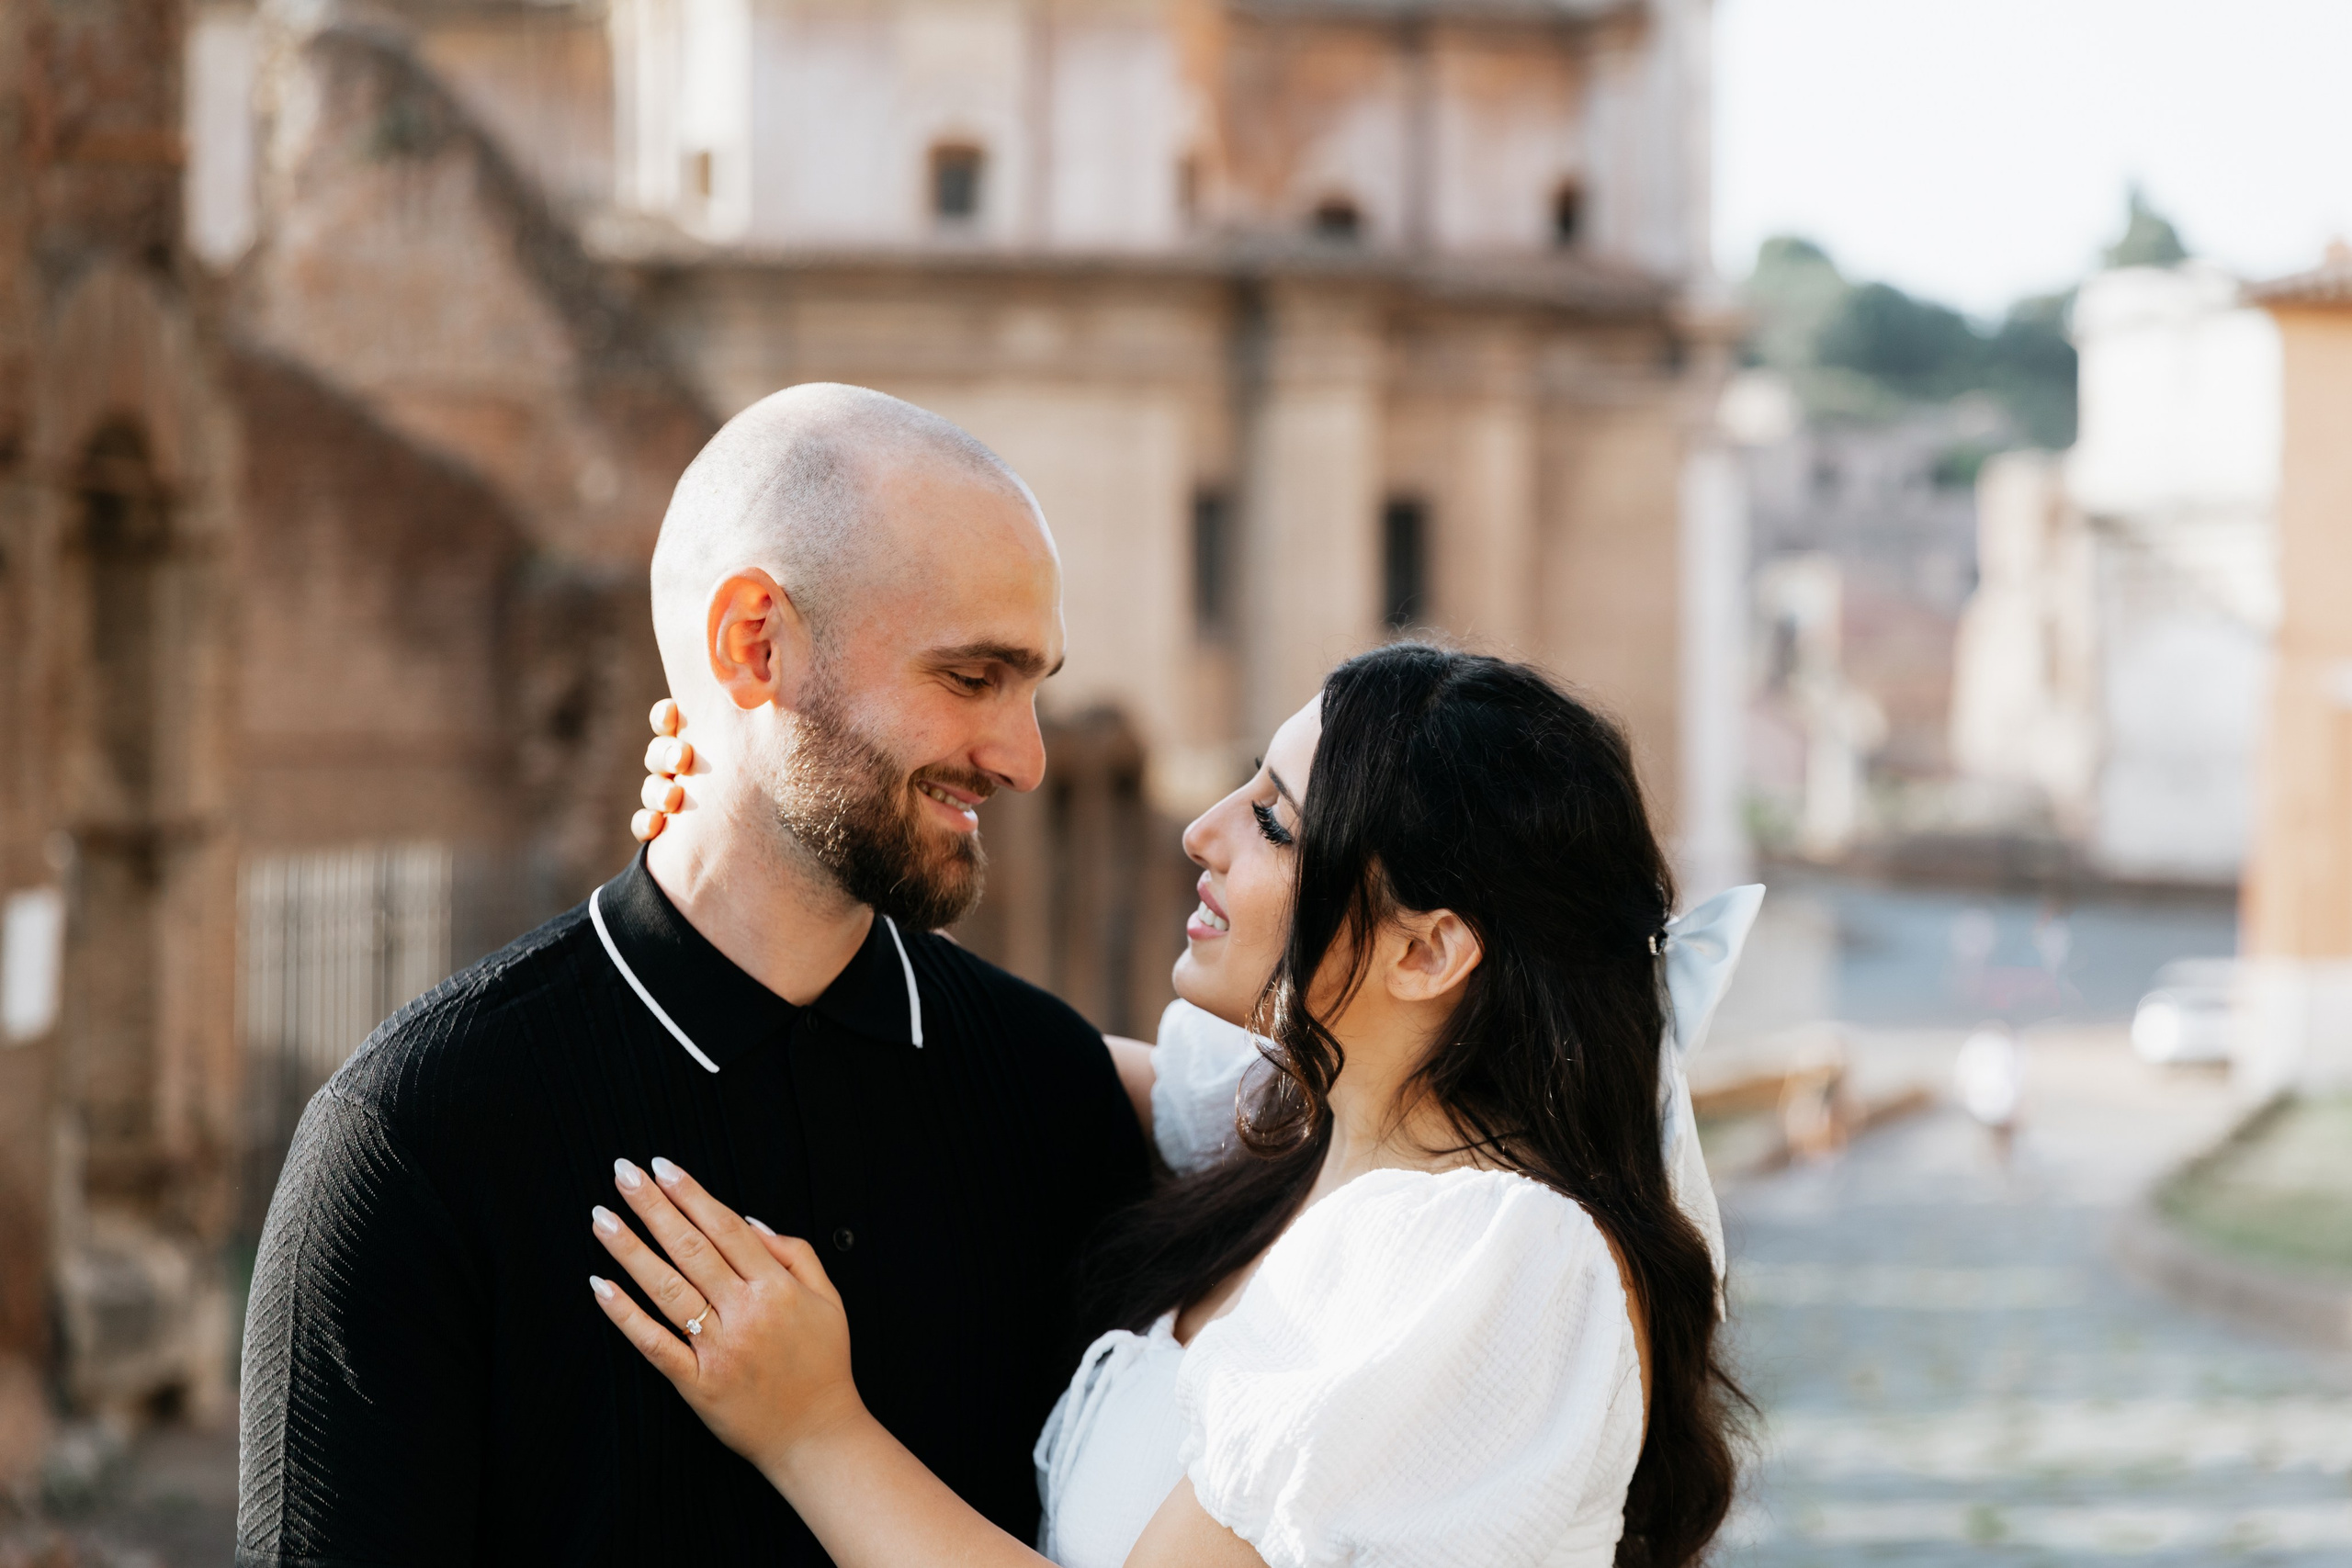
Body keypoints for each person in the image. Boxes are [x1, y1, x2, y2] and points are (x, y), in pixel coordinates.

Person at [233, 385, 1152, 1565]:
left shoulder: (1057, 1102)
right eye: (972, 679)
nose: (1022, 757)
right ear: (751, 643)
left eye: (1038, 687)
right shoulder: (416, 1140)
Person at [596, 644, 1761, 1568]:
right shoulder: (1303, 1144)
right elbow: (980, 1051)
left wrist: (812, 1430)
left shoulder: (1489, 1255)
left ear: (1427, 951)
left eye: (1270, 821)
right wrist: (759, 825)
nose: (1203, 833)